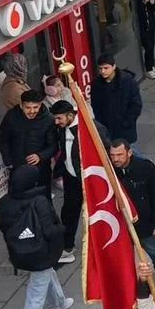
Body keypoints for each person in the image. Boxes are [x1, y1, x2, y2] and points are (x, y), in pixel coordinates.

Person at [0, 164, 73, 309]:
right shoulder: (39, 201)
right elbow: (49, 231)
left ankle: (59, 303)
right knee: (35, 298)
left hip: (20, 254)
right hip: (41, 253)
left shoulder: (4, 203)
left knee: (47, 274)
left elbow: (4, 230)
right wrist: (63, 230)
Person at [107, 139, 155, 309]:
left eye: (119, 154)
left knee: (153, 250)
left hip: (143, 221)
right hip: (121, 223)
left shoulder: (146, 168)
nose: (116, 159)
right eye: (112, 155)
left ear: (129, 152)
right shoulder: (110, 171)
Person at [48, 100, 111, 263]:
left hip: (90, 179)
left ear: (70, 115)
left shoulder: (91, 128)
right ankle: (68, 247)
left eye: (59, 118)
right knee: (69, 212)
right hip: (71, 178)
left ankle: (105, 245)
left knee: (97, 213)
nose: (56, 122)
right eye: (55, 118)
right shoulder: (62, 128)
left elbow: (106, 151)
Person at [0, 90, 54, 189]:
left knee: (43, 199)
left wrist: (40, 156)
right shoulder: (11, 116)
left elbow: (53, 145)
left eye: (35, 107)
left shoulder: (48, 119)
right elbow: (3, 138)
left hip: (41, 169)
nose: (32, 111)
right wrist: (8, 161)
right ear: (21, 105)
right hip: (18, 167)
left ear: (40, 105)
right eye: (28, 108)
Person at [90, 54, 143, 148]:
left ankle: (145, 163)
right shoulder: (96, 84)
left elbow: (136, 104)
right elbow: (95, 106)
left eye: (106, 68)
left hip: (125, 128)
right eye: (100, 68)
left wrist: (127, 122)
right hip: (107, 128)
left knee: (132, 153)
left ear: (114, 66)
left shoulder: (127, 81)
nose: (103, 71)